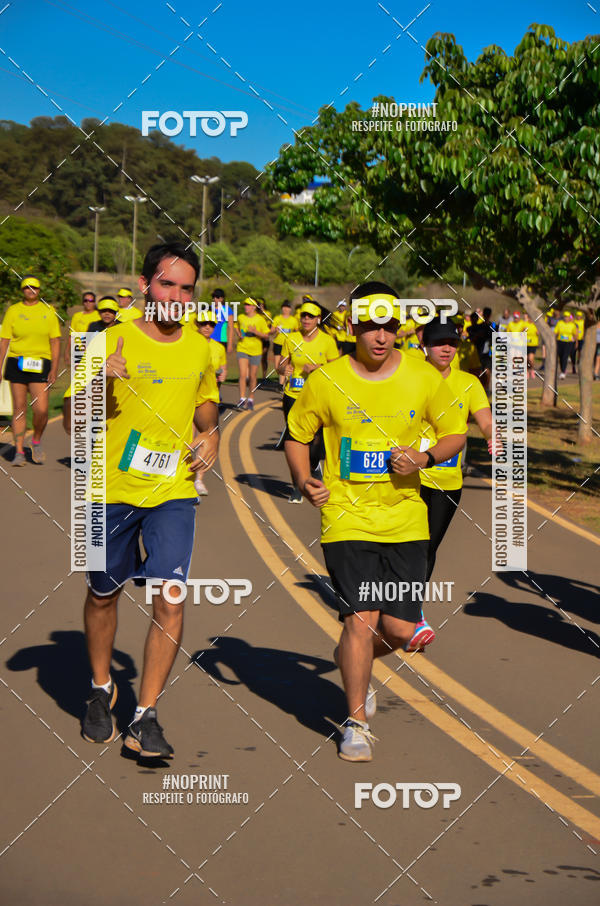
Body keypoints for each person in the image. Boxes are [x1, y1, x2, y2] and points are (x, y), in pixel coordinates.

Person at [285, 282, 465, 762]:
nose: (380, 337)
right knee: (361, 620)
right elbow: (296, 436)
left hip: (407, 520)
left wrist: (424, 456)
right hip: (346, 519)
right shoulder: (327, 380)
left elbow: (454, 432)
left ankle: (352, 664)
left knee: (402, 633)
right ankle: (355, 725)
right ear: (352, 327)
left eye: (388, 327)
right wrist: (304, 480)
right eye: (370, 327)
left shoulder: (424, 377)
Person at [77, 241, 219, 760]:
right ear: (145, 286)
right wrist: (96, 380)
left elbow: (206, 412)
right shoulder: (104, 341)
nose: (176, 295)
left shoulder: (202, 348)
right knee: (102, 595)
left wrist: (213, 438)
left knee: (171, 596)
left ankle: (146, 715)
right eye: (167, 284)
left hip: (173, 493)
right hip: (105, 490)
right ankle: (99, 688)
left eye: (186, 288)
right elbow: (75, 427)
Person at [419, 318, 492, 581]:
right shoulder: (409, 375)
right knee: (402, 545)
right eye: (439, 343)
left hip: (446, 480)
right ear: (424, 344)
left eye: (452, 343)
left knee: (428, 547)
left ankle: (411, 611)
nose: (446, 349)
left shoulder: (468, 383)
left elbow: (485, 420)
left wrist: (493, 436)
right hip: (407, 476)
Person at [277, 299, 338, 503]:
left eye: (310, 316)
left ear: (318, 320)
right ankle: (297, 485)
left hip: (318, 397)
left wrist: (319, 369)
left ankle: (312, 467)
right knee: (295, 441)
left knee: (314, 443)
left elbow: (336, 371)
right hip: (293, 396)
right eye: (303, 315)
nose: (306, 319)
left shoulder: (328, 341)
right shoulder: (291, 338)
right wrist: (282, 370)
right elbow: (281, 365)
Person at [0, 275, 61, 466]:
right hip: (16, 362)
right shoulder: (13, 311)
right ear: (22, 290)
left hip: (40, 364)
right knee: (19, 408)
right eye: (26, 287)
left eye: (34, 287)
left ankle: (36, 440)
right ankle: (19, 451)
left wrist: (54, 368)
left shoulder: (48, 311)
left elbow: (55, 341)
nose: (30, 290)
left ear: (39, 290)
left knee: (41, 410)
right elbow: (4, 341)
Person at [191, 310, 227, 495]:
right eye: (203, 323)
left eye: (211, 324)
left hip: (208, 396)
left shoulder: (218, 348)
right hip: (187, 394)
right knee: (188, 438)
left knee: (208, 436)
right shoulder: (187, 342)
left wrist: (221, 374)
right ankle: (180, 475)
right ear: (197, 324)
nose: (207, 327)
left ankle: (199, 479)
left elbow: (223, 369)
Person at [234, 297, 270, 410]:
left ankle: (251, 398)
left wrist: (255, 332)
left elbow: (266, 335)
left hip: (256, 350)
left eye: (249, 305)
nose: (246, 306)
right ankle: (241, 398)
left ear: (254, 307)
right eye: (245, 304)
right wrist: (239, 334)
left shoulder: (260, 319)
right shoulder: (240, 317)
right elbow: (236, 326)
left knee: (253, 376)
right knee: (243, 374)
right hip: (242, 348)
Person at [271, 301, 298, 390]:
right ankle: (282, 383)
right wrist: (276, 330)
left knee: (285, 365)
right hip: (278, 344)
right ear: (282, 308)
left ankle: (281, 385)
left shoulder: (294, 320)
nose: (286, 309)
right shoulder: (277, 318)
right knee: (277, 366)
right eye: (284, 307)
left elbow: (297, 332)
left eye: (288, 307)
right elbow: (271, 331)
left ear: (290, 309)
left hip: (288, 345)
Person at [209, 288, 234, 354]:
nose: (215, 299)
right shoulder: (209, 308)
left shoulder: (227, 310)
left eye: (217, 297)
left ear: (222, 299)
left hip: (221, 341)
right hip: (209, 340)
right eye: (213, 297)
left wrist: (230, 344)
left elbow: (231, 328)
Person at [554, 311, 578, 379]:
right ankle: (563, 370)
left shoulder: (572, 325)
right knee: (561, 357)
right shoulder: (559, 323)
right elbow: (556, 332)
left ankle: (563, 372)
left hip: (568, 343)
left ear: (569, 318)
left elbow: (575, 334)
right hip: (560, 341)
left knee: (565, 356)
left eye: (567, 317)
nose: (566, 318)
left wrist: (575, 341)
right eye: (565, 316)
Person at [523, 313, 539, 379]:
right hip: (525, 344)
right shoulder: (525, 324)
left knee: (530, 359)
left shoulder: (535, 325)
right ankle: (526, 371)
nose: (531, 319)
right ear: (528, 318)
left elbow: (538, 333)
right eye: (530, 318)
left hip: (533, 344)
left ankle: (532, 370)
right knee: (526, 359)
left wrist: (538, 332)